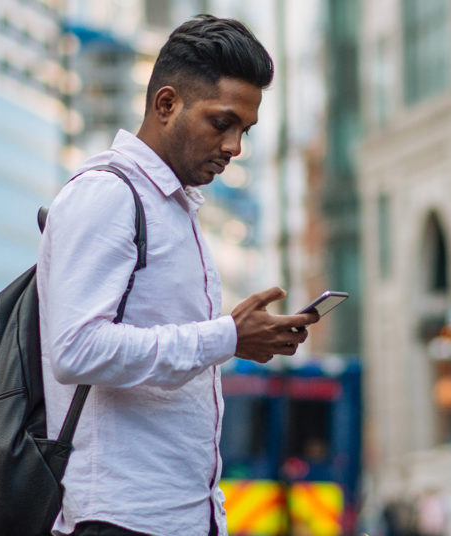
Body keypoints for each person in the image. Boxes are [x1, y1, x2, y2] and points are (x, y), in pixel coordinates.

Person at [37, 14, 318, 536]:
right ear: (167, 104)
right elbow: (75, 349)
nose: (234, 146)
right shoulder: (107, 194)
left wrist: (230, 341)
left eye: (244, 131)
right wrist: (225, 335)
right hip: (119, 518)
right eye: (222, 123)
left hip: (183, 516)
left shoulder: (174, 208)